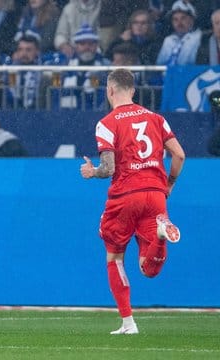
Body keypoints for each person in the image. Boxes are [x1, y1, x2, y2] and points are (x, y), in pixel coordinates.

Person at [79, 68, 185, 335]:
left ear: (110, 90)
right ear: (134, 91)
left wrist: (92, 173)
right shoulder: (156, 118)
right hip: (156, 196)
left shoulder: (107, 122)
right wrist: (168, 184)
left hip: (126, 195)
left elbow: (109, 167)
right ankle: (161, 235)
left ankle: (128, 322)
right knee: (148, 269)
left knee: (115, 257)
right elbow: (180, 155)